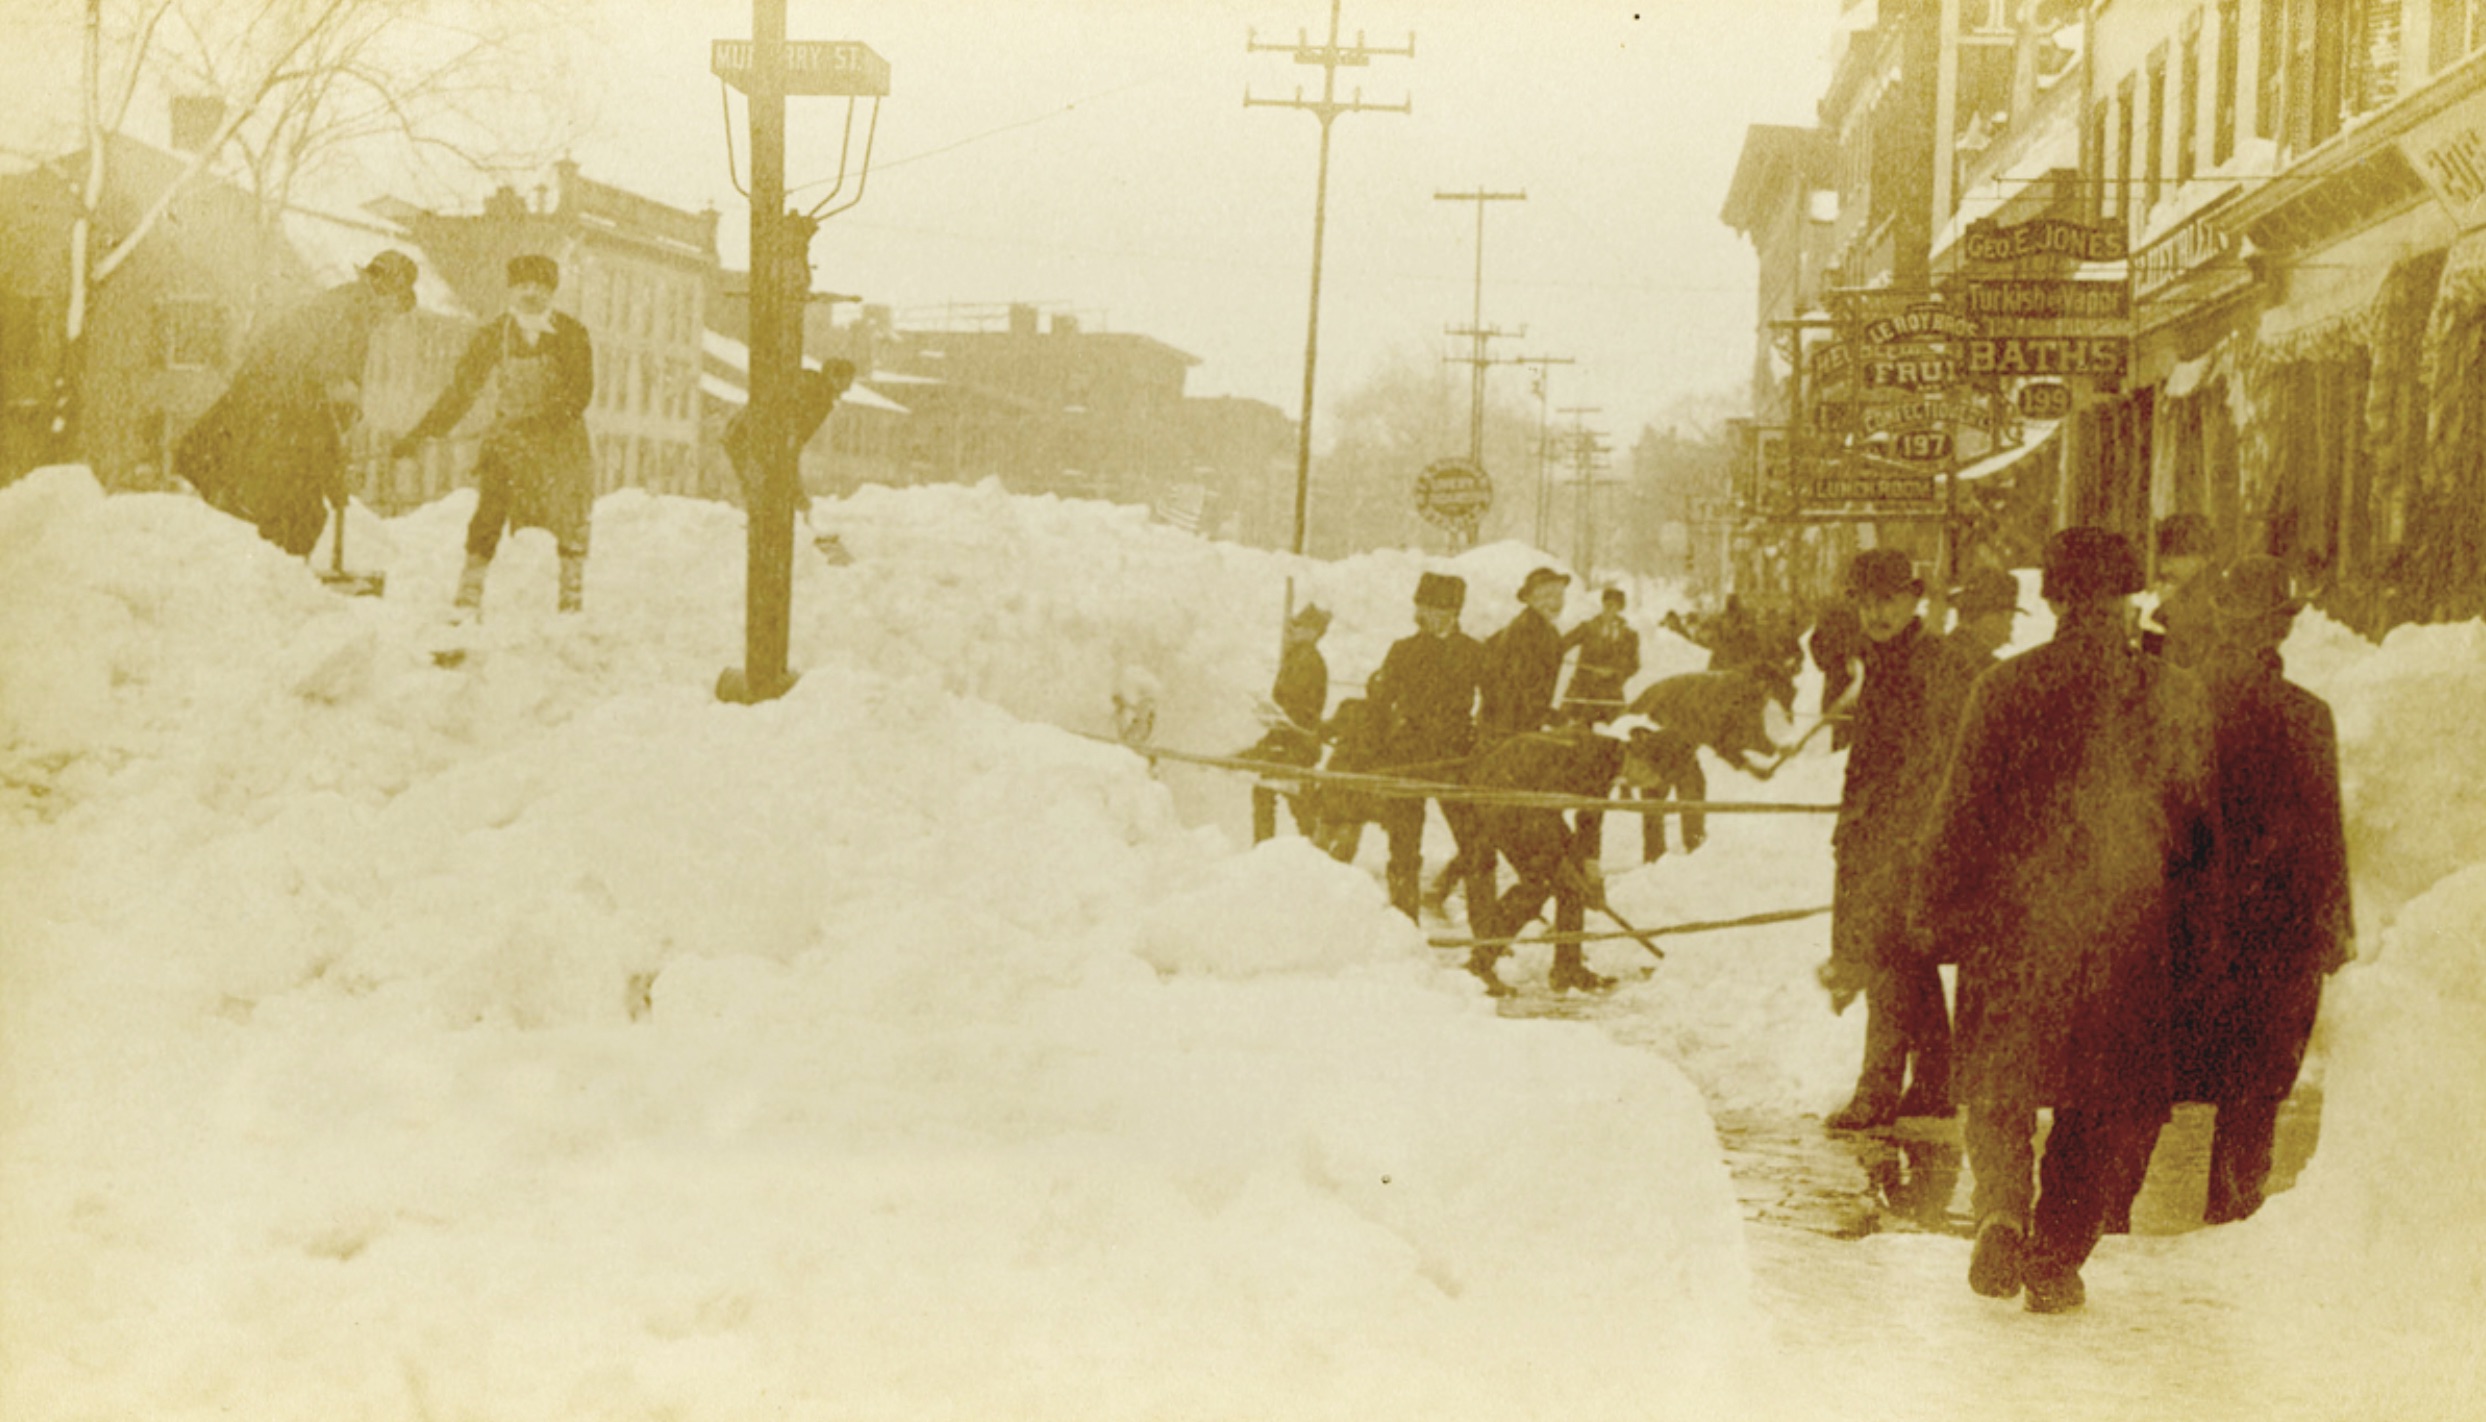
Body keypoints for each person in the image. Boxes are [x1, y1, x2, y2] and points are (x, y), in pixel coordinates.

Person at [1917, 527, 2221, 1315]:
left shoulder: (2006, 687)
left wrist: (1939, 911)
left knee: (2000, 1085)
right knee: (2102, 1101)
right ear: (2131, 598)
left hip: (2016, 925)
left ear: (2051, 598)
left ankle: (2000, 1209)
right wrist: (2194, 941)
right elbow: (2195, 833)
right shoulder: (2173, 692)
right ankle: (2055, 1253)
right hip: (2124, 932)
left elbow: (1961, 813)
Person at [2180, 556, 2353, 1224]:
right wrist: (2333, 932)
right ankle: (2232, 1215)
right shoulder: (2306, 717)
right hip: (2274, 939)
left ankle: (2098, 1230)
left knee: (2138, 1101)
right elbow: (2323, 841)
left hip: (2185, 930)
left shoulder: (2176, 700)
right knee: (2251, 1099)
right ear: (2278, 630)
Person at [1821, 549, 1977, 1131]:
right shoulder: (1885, 661)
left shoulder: (1929, 663)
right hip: (1883, 836)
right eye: (1864, 600)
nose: (1876, 611)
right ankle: (1936, 1082)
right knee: (1910, 960)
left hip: (1912, 839)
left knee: (1888, 956)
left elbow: (1928, 764)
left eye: (1887, 598)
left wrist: (1897, 844)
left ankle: (1876, 1091)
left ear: (1915, 597)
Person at [175, 251, 418, 557]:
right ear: (385, 290)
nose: (391, 315)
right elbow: (325, 378)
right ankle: (268, 578)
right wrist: (341, 418)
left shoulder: (349, 307)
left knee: (290, 506)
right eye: (395, 303)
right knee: (292, 509)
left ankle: (272, 575)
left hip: (278, 405)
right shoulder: (349, 313)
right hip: (278, 408)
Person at [393, 254, 596, 615]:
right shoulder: (493, 335)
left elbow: (579, 393)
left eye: (540, 286)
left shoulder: (571, 334)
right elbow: (461, 392)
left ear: (552, 292)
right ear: (511, 290)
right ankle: (468, 597)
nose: (531, 293)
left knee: (569, 514)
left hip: (561, 440)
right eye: (523, 286)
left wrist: (539, 423)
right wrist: (421, 434)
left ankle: (571, 599)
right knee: (490, 510)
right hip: (510, 442)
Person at [1462, 716, 1673, 997]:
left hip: (1530, 800)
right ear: (1641, 760)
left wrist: (1591, 876)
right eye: (1651, 777)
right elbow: (1539, 812)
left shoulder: (1609, 758)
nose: (1645, 784)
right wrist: (1557, 861)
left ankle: (1568, 968)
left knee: (1573, 882)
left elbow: (1590, 821)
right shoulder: (1590, 756)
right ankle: (1479, 964)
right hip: (1503, 795)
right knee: (1538, 882)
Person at [1366, 572, 1490, 920]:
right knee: (1404, 850)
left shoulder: (1473, 652)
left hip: (1455, 758)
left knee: (1476, 845)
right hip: (1408, 757)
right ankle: (1405, 928)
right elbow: (1379, 704)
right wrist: (1379, 754)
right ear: (1419, 610)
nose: (1436, 616)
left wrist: (1478, 740)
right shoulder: (1403, 650)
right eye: (1428, 608)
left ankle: (1487, 937)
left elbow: (1493, 701)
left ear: (1456, 612)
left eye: (1445, 609)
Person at [1622, 667, 1788, 863]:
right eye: (1770, 693)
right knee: (1667, 787)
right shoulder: (1729, 690)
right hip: (1654, 724)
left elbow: (1744, 731)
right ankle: (1665, 855)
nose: (1769, 698)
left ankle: (1679, 850)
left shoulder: (1741, 690)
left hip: (1674, 727)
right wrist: (1750, 767)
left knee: (1686, 787)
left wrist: (1776, 749)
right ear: (1762, 685)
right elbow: (1716, 737)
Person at [1242, 603, 1332, 844]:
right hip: (1285, 739)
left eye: (1300, 626)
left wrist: (1281, 719)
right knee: (1269, 793)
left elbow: (1301, 706)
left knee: (1298, 799)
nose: (1294, 630)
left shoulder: (1309, 660)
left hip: (1296, 741)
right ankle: (1268, 846)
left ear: (1314, 632)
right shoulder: (1297, 657)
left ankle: (1311, 847)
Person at [723, 359, 856, 517]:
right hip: (750, 437)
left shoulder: (810, 384)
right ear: (833, 376)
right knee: (764, 490)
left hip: (742, 432)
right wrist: (796, 491)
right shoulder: (818, 397)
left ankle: (760, 520)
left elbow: (790, 441)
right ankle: (762, 526)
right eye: (847, 381)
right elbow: (789, 443)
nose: (848, 388)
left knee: (761, 489)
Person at [1478, 566, 1572, 741]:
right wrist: (1549, 716)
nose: (1555, 603)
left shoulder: (1548, 632)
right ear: (1530, 599)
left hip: (1521, 724)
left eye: (1559, 596)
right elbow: (1516, 686)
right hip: (1506, 727)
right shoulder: (1525, 631)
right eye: (1546, 596)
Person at [2143, 512, 2217, 670]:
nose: (2163, 570)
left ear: (2202, 556)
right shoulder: (2172, 601)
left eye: (2172, 559)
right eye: (2162, 559)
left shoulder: (2213, 607)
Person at [1561, 586, 1642, 724]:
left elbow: (1634, 665)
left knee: (1616, 732)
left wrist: (1615, 673)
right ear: (1602, 605)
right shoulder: (1587, 628)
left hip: (1610, 694)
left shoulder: (1629, 635)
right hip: (1582, 691)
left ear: (1620, 608)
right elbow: (1560, 646)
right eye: (1607, 605)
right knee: (1572, 731)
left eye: (1614, 606)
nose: (1610, 609)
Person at [1807, 597, 1867, 751]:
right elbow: (1816, 644)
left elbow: (1815, 645)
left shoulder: (1859, 616)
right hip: (1839, 683)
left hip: (1854, 684)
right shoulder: (1849, 617)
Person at [1945, 566, 2023, 668]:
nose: (2010, 629)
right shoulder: (1989, 670)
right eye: (2008, 619)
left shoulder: (1938, 653)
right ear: (1980, 616)